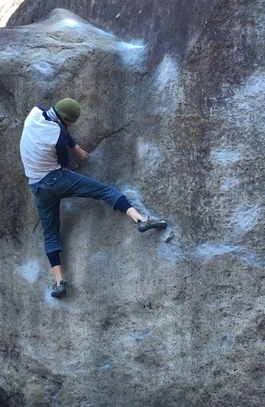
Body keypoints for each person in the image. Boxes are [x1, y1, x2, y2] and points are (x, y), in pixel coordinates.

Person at [20, 98, 167, 298]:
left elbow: (59, 129)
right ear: (66, 120)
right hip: (57, 179)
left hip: (37, 187)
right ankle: (141, 219)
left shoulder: (35, 113)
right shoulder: (58, 133)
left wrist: (75, 146)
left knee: (50, 233)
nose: (72, 125)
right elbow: (63, 158)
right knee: (105, 191)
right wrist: (70, 154)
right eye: (71, 122)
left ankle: (59, 282)